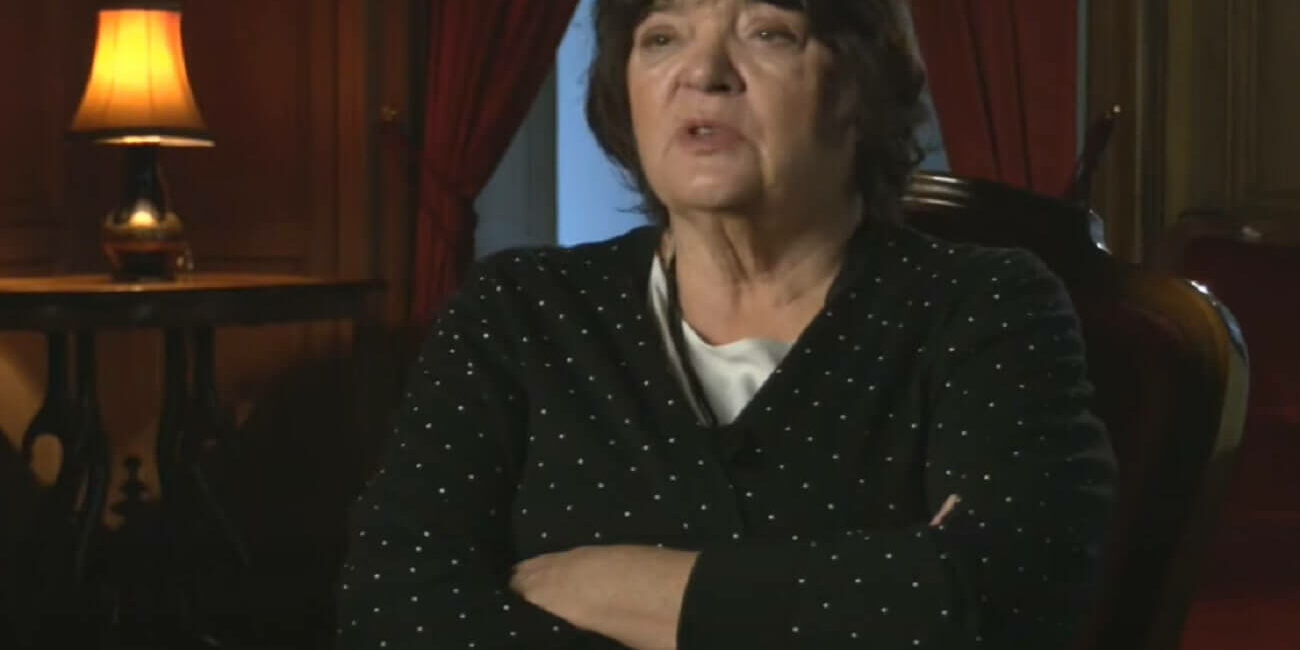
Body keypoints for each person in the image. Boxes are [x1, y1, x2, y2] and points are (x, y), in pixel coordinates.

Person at [336, 0, 1117, 648]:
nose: (703, 73)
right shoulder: (518, 310)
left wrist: (617, 587)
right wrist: (870, 589)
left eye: (768, 32)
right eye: (662, 38)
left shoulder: (985, 304)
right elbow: (390, 609)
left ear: (856, 86)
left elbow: (1006, 601)